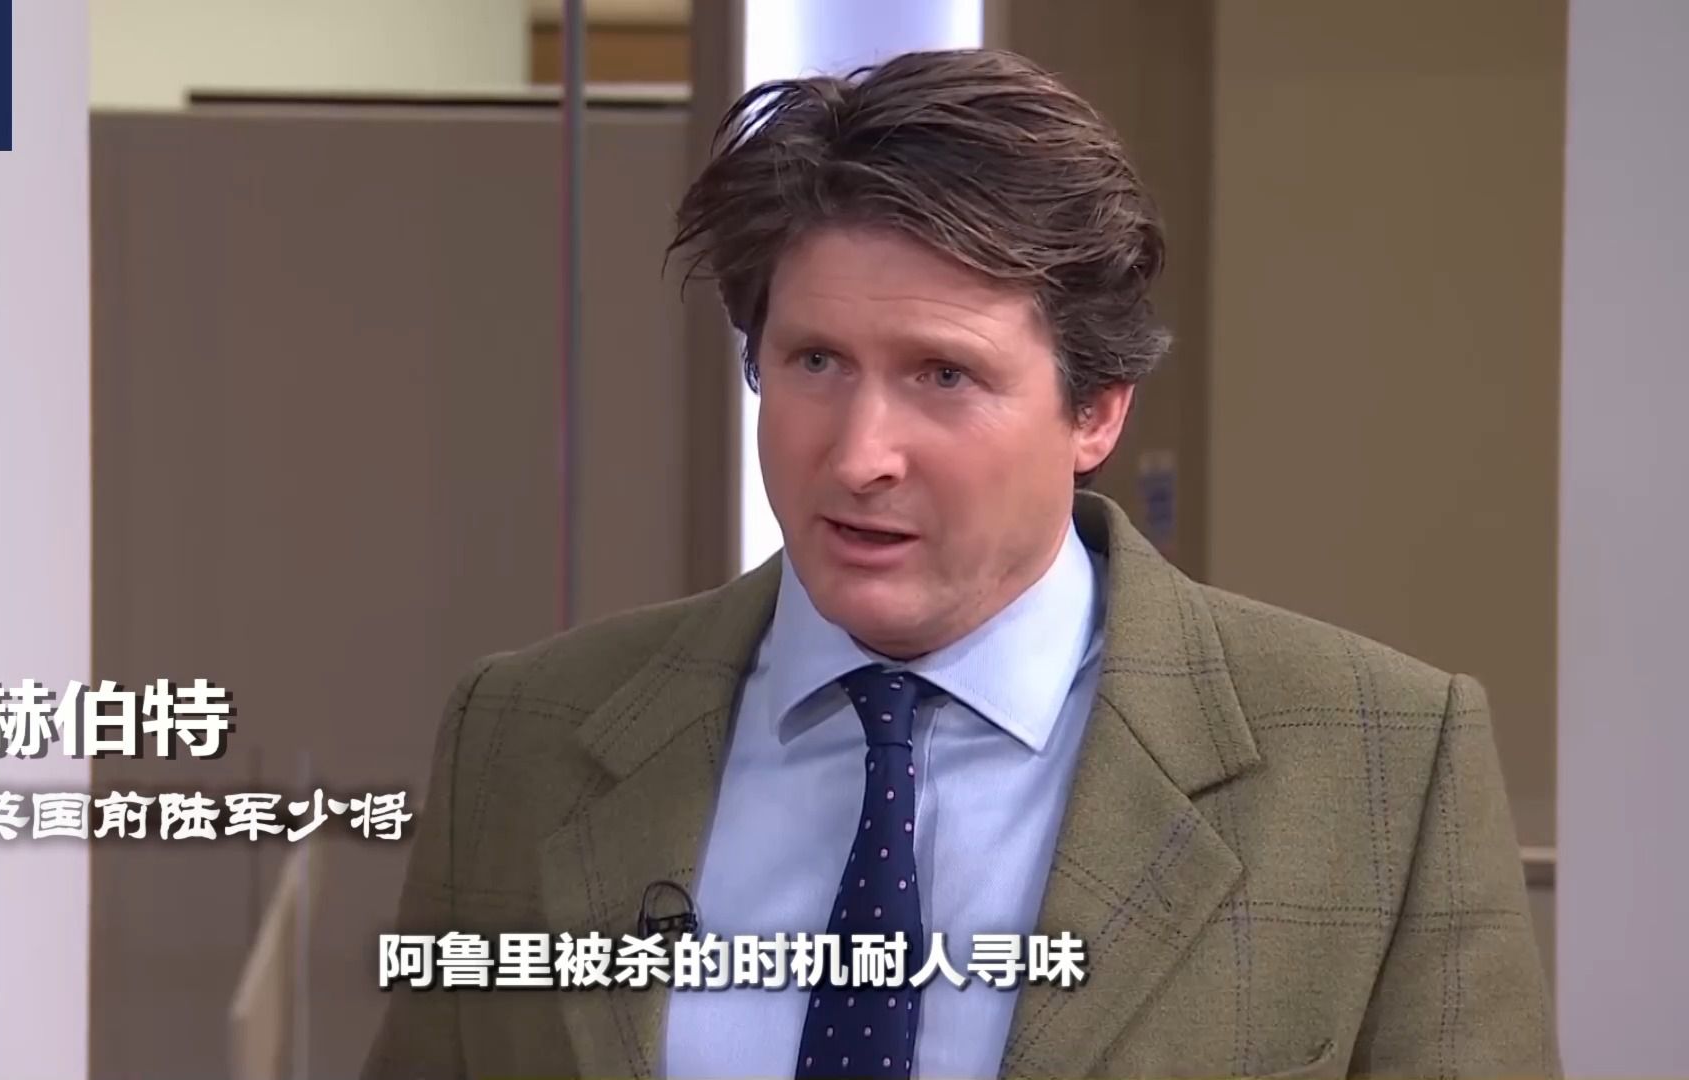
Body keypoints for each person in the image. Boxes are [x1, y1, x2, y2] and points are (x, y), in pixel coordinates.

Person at [361, 48, 1556, 1080]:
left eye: (944, 375)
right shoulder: (520, 737)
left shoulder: (1381, 767)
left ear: (1096, 409)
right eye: (816, 362)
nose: (859, 456)